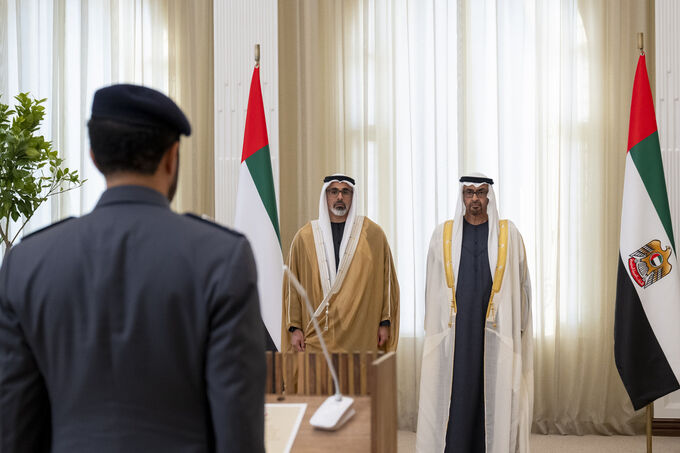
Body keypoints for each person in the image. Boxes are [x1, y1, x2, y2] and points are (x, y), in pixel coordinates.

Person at [0, 84, 266, 452]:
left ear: (94, 156)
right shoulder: (222, 258)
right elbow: (239, 433)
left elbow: (13, 430)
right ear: (172, 157)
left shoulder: (26, 264)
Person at [416, 174, 533, 453]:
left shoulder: (509, 234)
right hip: (457, 335)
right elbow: (430, 288)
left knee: (495, 393)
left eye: (480, 193)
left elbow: (523, 284)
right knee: (457, 394)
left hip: (497, 332)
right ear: (462, 197)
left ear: (489, 196)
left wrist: (520, 325)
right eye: (469, 193)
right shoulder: (443, 235)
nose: (475, 199)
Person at [282, 174, 399, 353]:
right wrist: (294, 327)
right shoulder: (305, 237)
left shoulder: (373, 235)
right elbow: (292, 285)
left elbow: (387, 282)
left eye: (346, 192)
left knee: (357, 380)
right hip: (317, 335)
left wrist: (385, 322)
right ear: (325, 195)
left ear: (353, 196)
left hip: (361, 333)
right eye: (334, 191)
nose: (339, 197)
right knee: (318, 380)